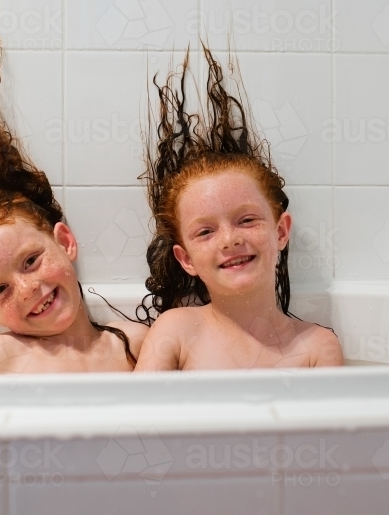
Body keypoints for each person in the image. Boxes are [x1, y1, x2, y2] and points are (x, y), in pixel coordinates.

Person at [0, 19, 146, 375]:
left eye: (31, 261)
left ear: (65, 241)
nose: (27, 288)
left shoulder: (134, 344)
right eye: (0, 289)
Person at [134, 46, 343, 371]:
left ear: (281, 231)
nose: (230, 239)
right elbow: (137, 419)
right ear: (186, 259)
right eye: (205, 231)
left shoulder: (316, 347)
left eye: (246, 220)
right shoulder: (177, 332)